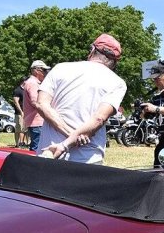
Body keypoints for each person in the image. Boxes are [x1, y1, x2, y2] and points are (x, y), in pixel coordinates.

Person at [37, 34, 127, 163]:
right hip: (88, 157)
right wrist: (71, 138)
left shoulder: (60, 68)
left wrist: (68, 134)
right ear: (114, 62)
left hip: (49, 153)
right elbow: (99, 118)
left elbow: (41, 104)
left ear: (92, 50)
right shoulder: (117, 82)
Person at [140, 62, 164, 167]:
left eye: (157, 79)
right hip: (162, 138)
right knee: (158, 168)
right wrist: (144, 112)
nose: (155, 82)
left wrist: (156, 109)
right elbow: (146, 116)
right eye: (153, 80)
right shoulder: (157, 96)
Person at [24, 60, 50, 152]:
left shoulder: (32, 82)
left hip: (35, 121)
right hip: (37, 122)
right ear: (36, 70)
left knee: (37, 147)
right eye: (44, 70)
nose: (45, 73)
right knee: (37, 149)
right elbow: (36, 102)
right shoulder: (33, 83)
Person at [12, 76, 28, 148]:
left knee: (24, 129)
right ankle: (19, 143)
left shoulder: (26, 90)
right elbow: (16, 102)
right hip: (19, 113)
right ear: (24, 81)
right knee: (20, 129)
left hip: (26, 112)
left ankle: (22, 143)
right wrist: (21, 112)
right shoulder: (17, 90)